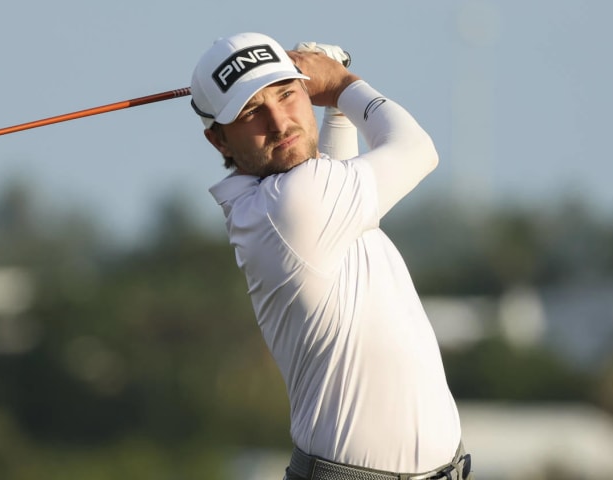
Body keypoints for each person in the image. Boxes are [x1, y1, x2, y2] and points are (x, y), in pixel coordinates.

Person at [190, 32, 472, 480]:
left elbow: (331, 170)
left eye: (287, 94)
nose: (280, 122)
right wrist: (342, 84)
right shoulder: (290, 206)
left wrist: (334, 104)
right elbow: (418, 150)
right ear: (219, 141)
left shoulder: (290, 201)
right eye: (251, 112)